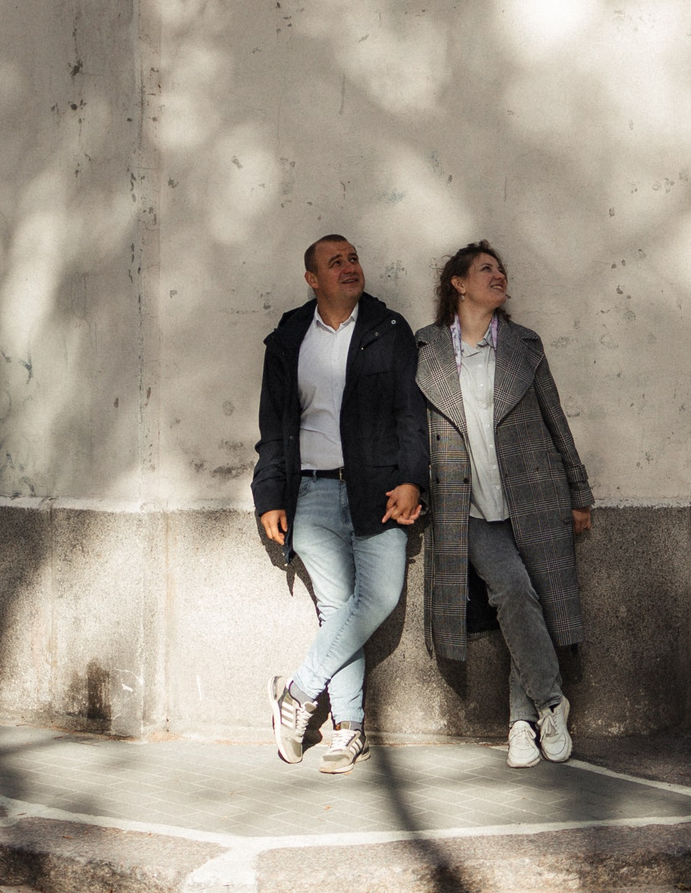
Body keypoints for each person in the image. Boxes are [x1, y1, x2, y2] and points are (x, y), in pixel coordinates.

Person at [413, 240, 594, 768]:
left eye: (501, 270)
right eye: (485, 269)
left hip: (534, 498)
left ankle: (520, 724)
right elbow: (413, 429)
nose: (498, 276)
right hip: (467, 508)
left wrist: (578, 491)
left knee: (533, 600)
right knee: (513, 591)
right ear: (458, 284)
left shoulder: (523, 345)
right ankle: (551, 702)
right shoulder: (426, 348)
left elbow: (556, 421)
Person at [251, 233, 427, 774]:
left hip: (378, 492)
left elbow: (410, 414)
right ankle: (348, 730)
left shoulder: (388, 329)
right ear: (312, 279)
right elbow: (274, 426)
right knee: (336, 609)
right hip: (312, 493)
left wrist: (412, 480)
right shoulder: (289, 337)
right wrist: (270, 494)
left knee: (376, 598)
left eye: (353, 258)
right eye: (335, 262)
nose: (349, 267)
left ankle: (298, 693)